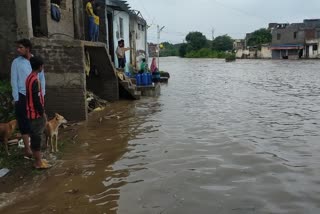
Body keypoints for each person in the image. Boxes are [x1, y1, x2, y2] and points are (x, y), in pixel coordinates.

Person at [11, 38, 46, 158]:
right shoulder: (16, 62)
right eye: (18, 47)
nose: (18, 50)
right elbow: (14, 81)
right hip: (22, 95)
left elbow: (42, 79)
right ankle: (27, 149)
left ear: (28, 48)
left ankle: (35, 147)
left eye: (21, 47)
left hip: (35, 95)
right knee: (23, 121)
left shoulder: (36, 61)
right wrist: (16, 98)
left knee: (35, 121)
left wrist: (42, 95)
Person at [26, 56, 50, 169]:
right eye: (42, 66)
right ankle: (38, 163)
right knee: (37, 138)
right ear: (40, 67)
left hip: (30, 113)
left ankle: (39, 159)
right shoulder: (35, 80)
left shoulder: (29, 78)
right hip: (35, 114)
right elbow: (36, 100)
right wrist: (42, 113)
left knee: (35, 137)